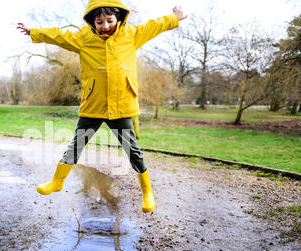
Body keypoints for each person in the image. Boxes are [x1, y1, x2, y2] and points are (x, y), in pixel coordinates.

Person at [17, 0, 187, 213]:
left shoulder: (131, 35)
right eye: (99, 22)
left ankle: (147, 192)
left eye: (109, 20)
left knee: (132, 150)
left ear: (118, 18)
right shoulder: (83, 39)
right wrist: (35, 31)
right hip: (93, 106)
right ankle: (57, 181)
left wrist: (174, 19)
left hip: (122, 106)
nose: (105, 26)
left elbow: (154, 25)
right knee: (76, 145)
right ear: (92, 22)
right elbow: (59, 36)